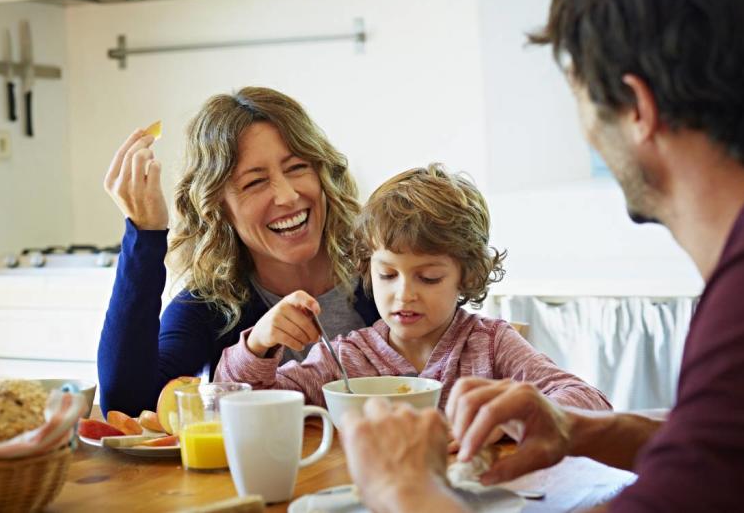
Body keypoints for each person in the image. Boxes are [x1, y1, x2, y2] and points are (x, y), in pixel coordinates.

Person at [340, 0, 744, 511]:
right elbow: (741, 438)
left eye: (580, 96)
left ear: (638, 107)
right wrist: (582, 429)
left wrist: (402, 488)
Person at [215, 164, 610, 416]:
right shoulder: (348, 358)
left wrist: (519, 413)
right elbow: (236, 404)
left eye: (429, 278)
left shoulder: (490, 346)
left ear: (466, 276)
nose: (404, 295)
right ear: (367, 269)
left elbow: (589, 402)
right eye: (388, 276)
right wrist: (259, 346)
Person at [98, 87, 379, 417]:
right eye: (255, 182)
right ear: (219, 208)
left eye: (297, 167)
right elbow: (129, 406)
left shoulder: (386, 277)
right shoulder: (210, 306)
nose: (287, 196)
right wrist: (145, 235)